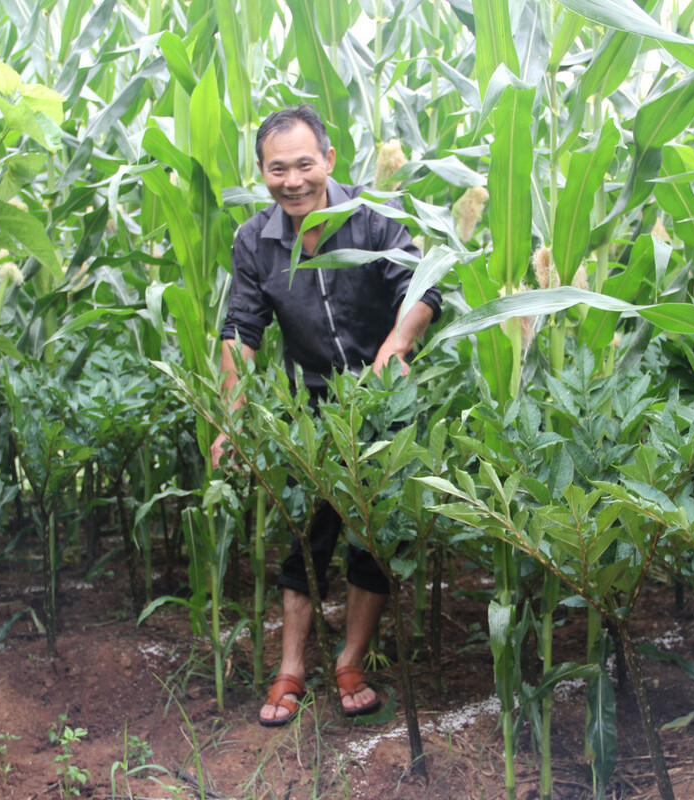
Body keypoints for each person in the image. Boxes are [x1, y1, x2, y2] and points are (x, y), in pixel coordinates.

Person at [211, 105, 442, 727]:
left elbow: (423, 289)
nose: (292, 180)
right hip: (309, 404)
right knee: (304, 539)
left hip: (378, 400)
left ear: (330, 161)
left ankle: (351, 661)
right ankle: (289, 667)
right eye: (276, 168)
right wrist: (231, 416)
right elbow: (240, 330)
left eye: (304, 164)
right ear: (261, 172)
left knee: (370, 537)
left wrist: (395, 348)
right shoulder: (255, 240)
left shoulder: (374, 216)